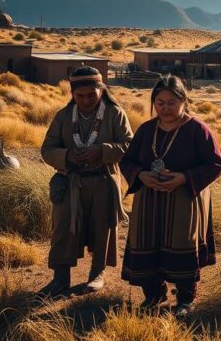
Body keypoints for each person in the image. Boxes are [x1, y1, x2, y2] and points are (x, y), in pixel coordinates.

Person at [119, 75, 221, 316]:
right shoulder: (147, 130)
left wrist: (184, 178)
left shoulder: (197, 129)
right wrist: (141, 175)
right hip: (149, 199)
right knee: (147, 242)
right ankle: (154, 296)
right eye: (160, 102)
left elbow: (216, 164)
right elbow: (127, 161)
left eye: (171, 102)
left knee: (181, 244)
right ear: (153, 103)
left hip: (184, 200)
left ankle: (186, 299)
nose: (165, 108)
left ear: (183, 101)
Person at [39, 67, 133, 296]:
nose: (86, 100)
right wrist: (67, 156)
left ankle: (96, 275)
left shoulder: (114, 114)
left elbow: (130, 145)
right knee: (62, 229)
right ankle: (60, 279)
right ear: (72, 94)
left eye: (92, 95)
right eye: (80, 96)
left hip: (103, 181)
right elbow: (47, 149)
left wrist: (102, 151)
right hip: (70, 183)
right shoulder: (63, 116)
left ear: (102, 90)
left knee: (102, 228)